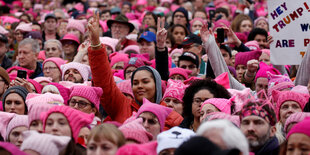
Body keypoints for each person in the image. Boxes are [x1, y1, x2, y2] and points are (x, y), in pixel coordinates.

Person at [88, 13, 181, 126]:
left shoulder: (173, 117)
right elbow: (104, 83)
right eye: (135, 83)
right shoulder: (122, 106)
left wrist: (161, 48)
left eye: (145, 81)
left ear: (157, 84)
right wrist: (96, 44)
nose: (140, 86)